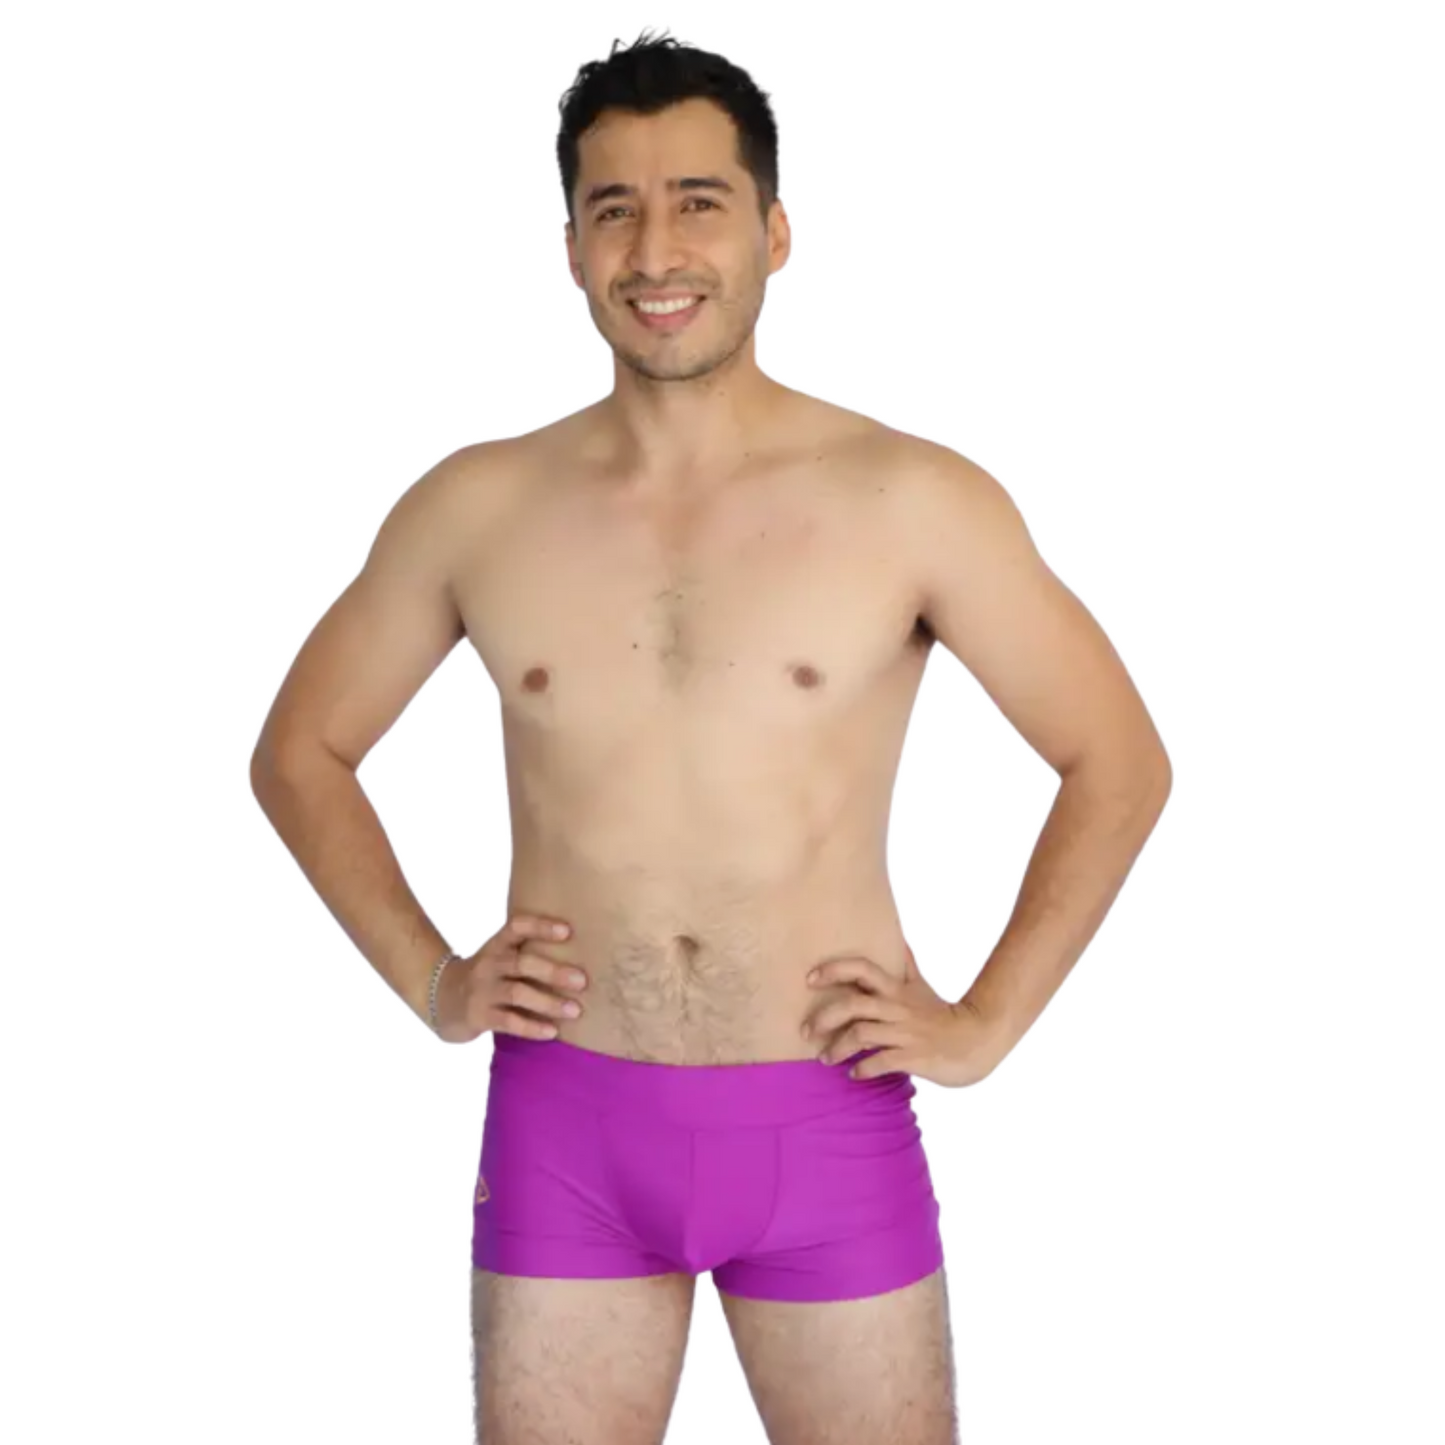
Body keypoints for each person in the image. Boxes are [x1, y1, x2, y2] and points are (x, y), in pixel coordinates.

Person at [249, 29, 1171, 1445]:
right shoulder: (478, 507)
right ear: (571, 248)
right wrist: (433, 980)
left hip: (826, 1117)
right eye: (614, 209)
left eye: (698, 202)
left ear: (774, 232)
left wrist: (985, 1025)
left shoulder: (912, 499)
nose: (656, 251)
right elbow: (300, 751)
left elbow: (1118, 759)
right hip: (568, 1128)